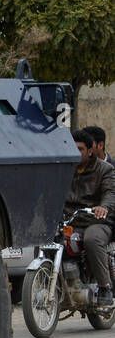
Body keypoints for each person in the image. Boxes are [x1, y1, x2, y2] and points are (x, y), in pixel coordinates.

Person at [66, 128, 115, 306]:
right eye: (73, 148)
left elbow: (110, 192)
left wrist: (104, 207)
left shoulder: (105, 170)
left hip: (97, 221)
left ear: (90, 150)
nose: (76, 153)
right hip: (71, 220)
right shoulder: (64, 168)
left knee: (92, 239)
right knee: (47, 238)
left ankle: (105, 287)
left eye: (80, 149)